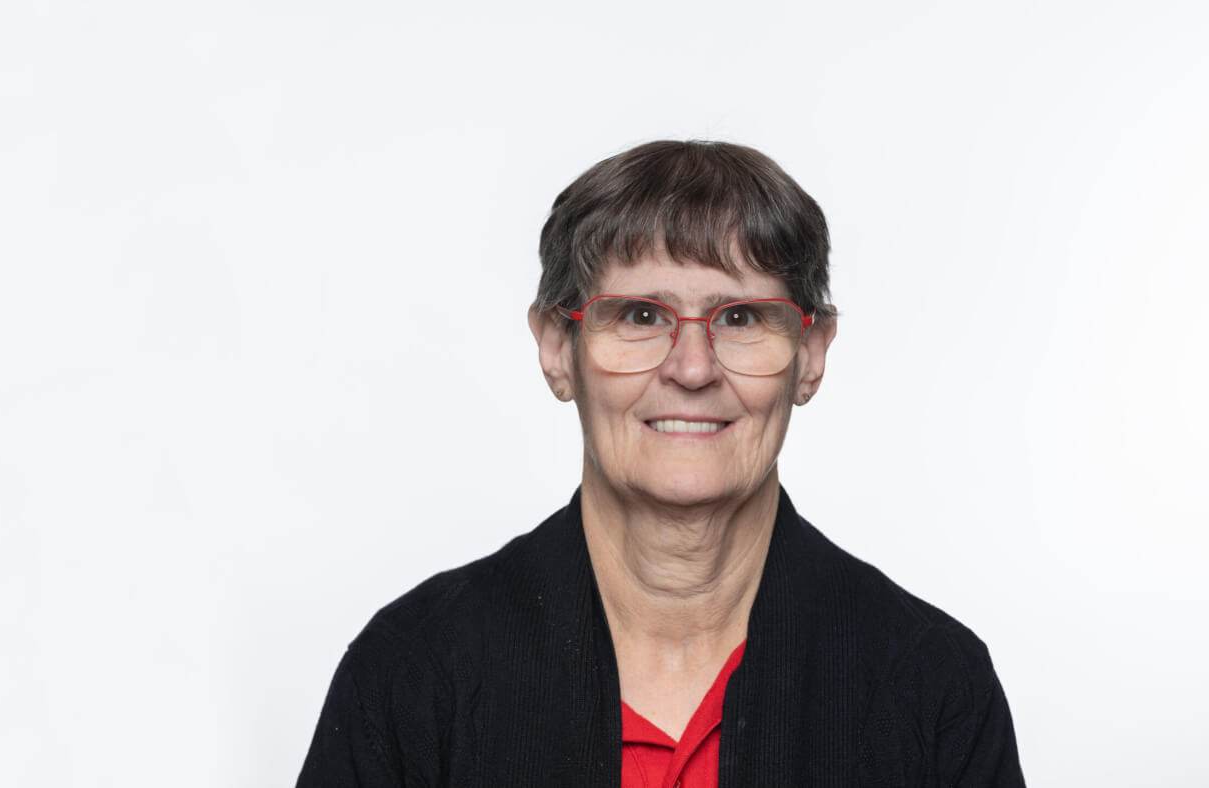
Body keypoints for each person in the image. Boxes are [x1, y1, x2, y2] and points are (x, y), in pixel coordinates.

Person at [296, 140, 1024, 786]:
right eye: (641, 315)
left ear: (810, 354)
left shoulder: (932, 686)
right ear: (558, 348)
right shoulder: (415, 673)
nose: (693, 367)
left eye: (740, 318)